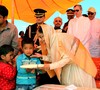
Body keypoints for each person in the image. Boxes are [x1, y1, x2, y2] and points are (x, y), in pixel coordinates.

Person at [33, 28, 97, 88]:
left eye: (41, 37)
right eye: (39, 37)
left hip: (77, 66)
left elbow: (66, 59)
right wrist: (42, 56)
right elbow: (56, 57)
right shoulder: (52, 39)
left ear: (47, 34)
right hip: (68, 66)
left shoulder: (57, 39)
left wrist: (50, 66)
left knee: (76, 87)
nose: (40, 40)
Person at [24, 8, 59, 85]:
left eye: (40, 17)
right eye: (37, 17)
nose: (38, 18)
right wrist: (32, 46)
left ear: (44, 17)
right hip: (33, 54)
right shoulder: (30, 28)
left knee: (47, 76)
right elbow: (25, 41)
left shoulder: (49, 28)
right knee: (32, 75)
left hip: (46, 55)